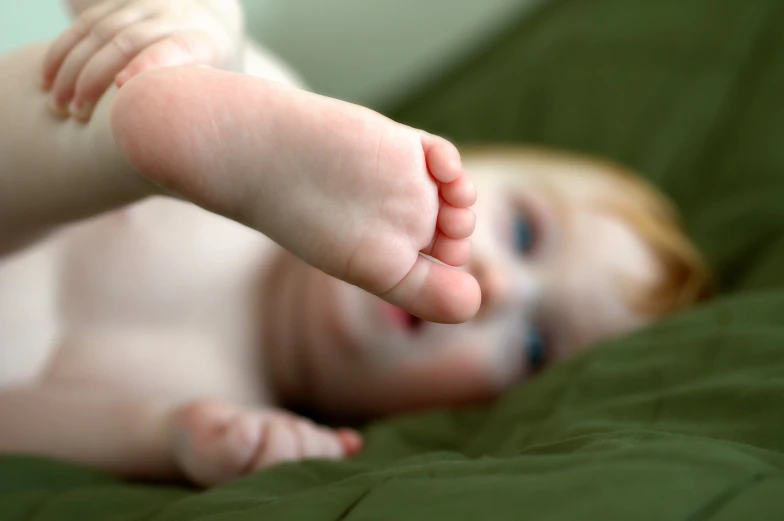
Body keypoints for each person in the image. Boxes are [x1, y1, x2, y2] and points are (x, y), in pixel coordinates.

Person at [0, 0, 711, 487]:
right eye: (523, 231)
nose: (496, 287)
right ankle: (170, 59)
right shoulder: (277, 120)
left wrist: (168, 437)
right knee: (200, 54)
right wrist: (193, 36)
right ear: (453, 155)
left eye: (533, 349)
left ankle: (138, 122)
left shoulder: (232, 409)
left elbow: (14, 422)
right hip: (55, 145)